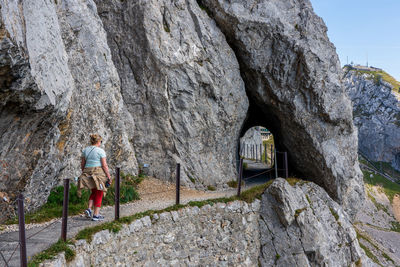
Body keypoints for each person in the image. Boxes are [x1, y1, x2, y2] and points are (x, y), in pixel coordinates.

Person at [77, 134, 112, 221]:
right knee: (99, 192)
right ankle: (96, 215)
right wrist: (109, 176)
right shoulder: (100, 151)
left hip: (87, 173)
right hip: (98, 173)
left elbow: (82, 164)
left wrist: (84, 172)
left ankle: (89, 209)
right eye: (101, 141)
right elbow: (104, 165)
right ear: (98, 142)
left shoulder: (85, 150)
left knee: (93, 192)